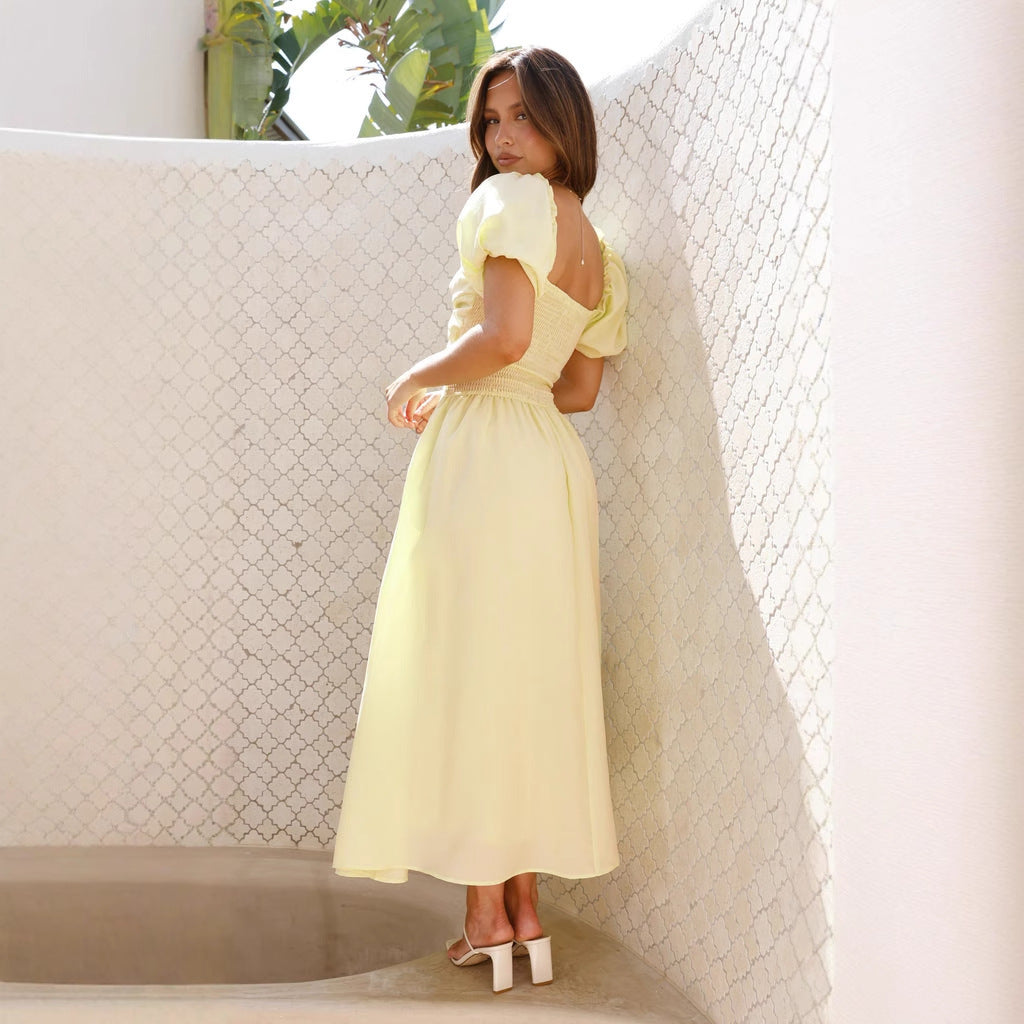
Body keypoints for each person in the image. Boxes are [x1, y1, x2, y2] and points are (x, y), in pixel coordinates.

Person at [331, 45, 628, 994]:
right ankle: (525, 913)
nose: (503, 138)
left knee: (470, 671)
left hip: (485, 456)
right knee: (528, 676)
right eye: (492, 120)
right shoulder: (599, 250)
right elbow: (576, 389)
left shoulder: (509, 204)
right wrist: (508, 377)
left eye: (524, 117)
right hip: (548, 458)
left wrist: (416, 376)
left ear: (564, 123)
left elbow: (502, 337)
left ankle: (483, 918)